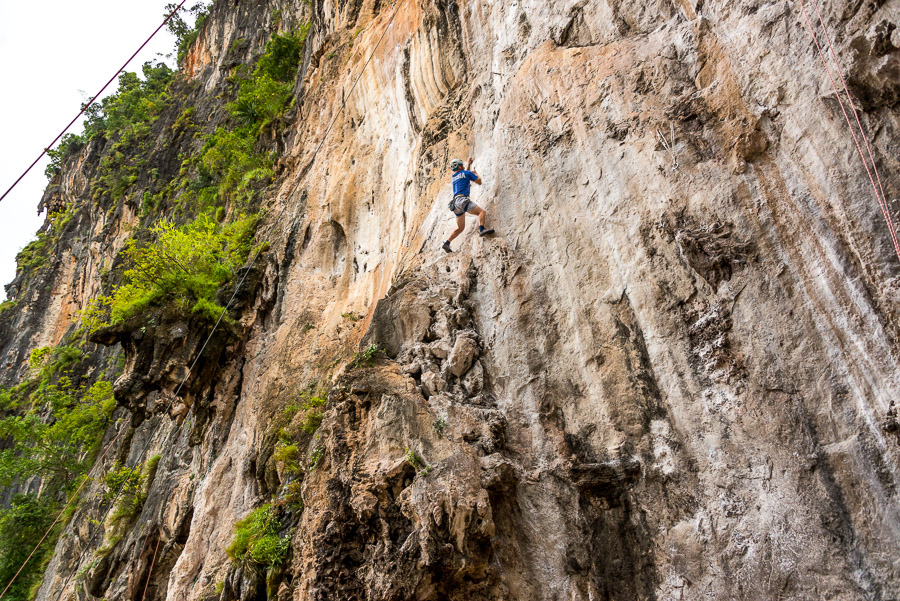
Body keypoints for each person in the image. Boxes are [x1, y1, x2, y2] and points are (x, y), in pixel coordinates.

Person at [442, 157, 493, 253]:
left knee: (460, 228)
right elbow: (479, 181)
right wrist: (475, 174)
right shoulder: (467, 173)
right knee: (482, 212)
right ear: (459, 166)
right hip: (463, 200)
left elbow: (464, 175)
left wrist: (469, 165)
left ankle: (447, 243)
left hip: (455, 204)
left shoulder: (454, 177)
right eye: (462, 164)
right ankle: (482, 229)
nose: (463, 165)